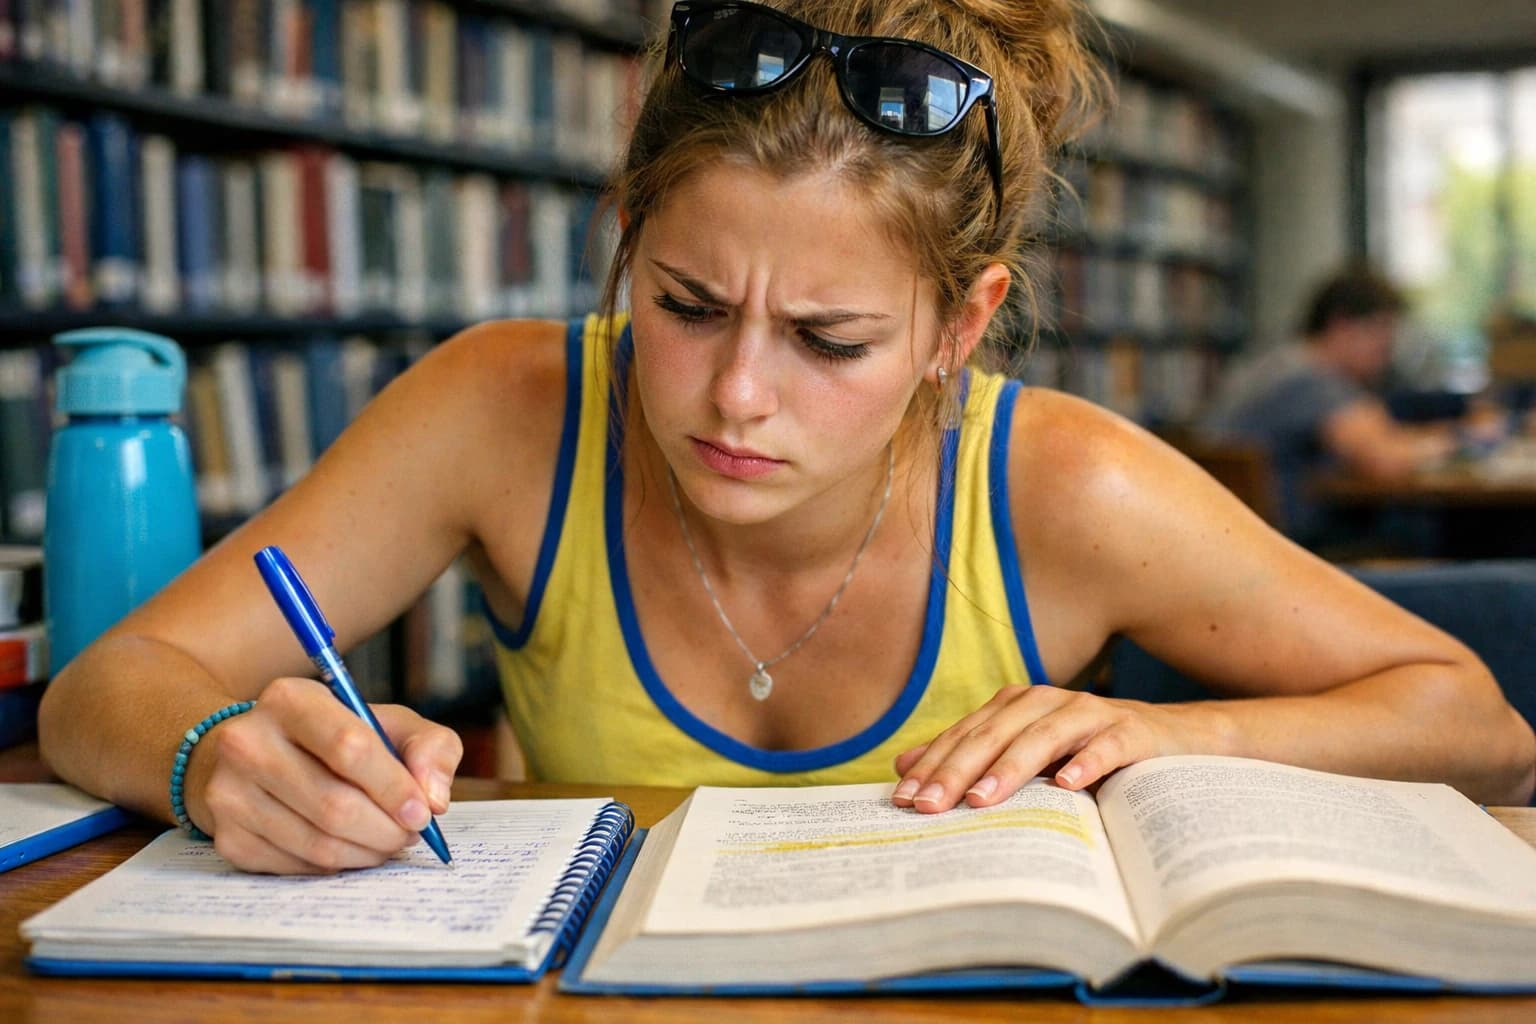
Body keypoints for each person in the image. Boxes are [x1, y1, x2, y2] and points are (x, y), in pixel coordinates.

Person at [38, 0, 1535, 875]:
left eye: (831, 342)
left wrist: (1169, 733)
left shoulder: (1063, 483)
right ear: (628, 238)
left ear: (961, 327)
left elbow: (1482, 727)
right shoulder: (506, 406)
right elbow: (106, 685)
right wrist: (214, 754)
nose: (735, 395)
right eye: (686, 306)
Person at [1198, 266, 1499, 547]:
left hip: (1243, 542)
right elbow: (1384, 459)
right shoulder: (1310, 378)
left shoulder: (1279, 364)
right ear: (1341, 326)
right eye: (1380, 338)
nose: (1386, 353)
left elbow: (1377, 431)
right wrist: (1461, 437)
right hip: (1294, 546)